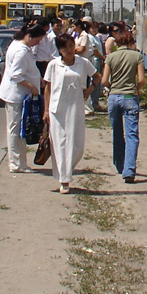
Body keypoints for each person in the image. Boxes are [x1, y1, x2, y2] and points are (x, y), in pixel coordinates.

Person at [43, 34, 100, 193]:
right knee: (60, 144)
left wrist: (89, 90)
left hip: (75, 108)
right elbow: (47, 87)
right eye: (63, 48)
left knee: (77, 146)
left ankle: (66, 170)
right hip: (57, 110)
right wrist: (46, 110)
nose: (68, 50)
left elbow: (97, 76)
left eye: (70, 46)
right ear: (59, 50)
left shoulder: (83, 63)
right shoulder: (53, 65)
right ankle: (64, 179)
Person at [0, 25, 44, 172]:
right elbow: (16, 75)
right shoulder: (21, 51)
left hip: (19, 94)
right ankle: (16, 163)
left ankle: (19, 162)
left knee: (17, 128)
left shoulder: (18, 45)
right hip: (16, 95)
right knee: (16, 130)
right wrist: (32, 86)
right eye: (37, 40)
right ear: (30, 36)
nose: (38, 44)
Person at [102, 29, 146, 183]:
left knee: (117, 133)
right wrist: (137, 90)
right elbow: (141, 79)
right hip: (130, 97)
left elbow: (104, 80)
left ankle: (119, 165)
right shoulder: (137, 56)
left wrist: (112, 87)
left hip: (114, 97)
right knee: (132, 134)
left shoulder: (111, 57)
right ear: (130, 41)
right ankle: (129, 170)